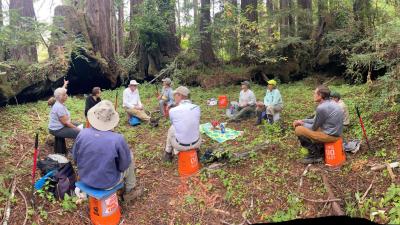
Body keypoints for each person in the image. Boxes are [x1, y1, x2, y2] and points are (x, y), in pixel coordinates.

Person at [72, 100, 143, 202]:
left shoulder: (82, 134)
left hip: (85, 178)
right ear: (112, 120)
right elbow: (123, 166)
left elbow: (75, 158)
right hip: (108, 183)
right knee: (130, 158)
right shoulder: (118, 139)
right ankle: (130, 190)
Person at [293, 85, 344, 164]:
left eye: (314, 93)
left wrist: (301, 124)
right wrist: (302, 121)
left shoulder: (322, 108)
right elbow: (315, 120)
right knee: (303, 126)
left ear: (320, 95)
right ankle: (320, 149)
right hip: (335, 133)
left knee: (298, 129)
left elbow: (313, 127)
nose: (313, 95)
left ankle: (315, 155)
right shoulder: (331, 102)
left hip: (331, 136)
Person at [164, 86, 201, 162]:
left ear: (179, 95)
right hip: (197, 143)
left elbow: (175, 124)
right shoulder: (197, 107)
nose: (174, 97)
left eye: (175, 95)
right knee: (195, 126)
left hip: (181, 146)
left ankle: (168, 153)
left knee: (171, 129)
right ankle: (197, 151)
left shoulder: (173, 111)